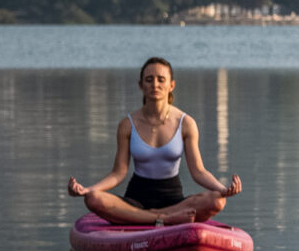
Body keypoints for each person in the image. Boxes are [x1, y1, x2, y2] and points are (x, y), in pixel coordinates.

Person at [67, 57, 241, 226]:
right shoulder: (127, 124)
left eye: (161, 80)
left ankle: (150, 217)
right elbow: (118, 173)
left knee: (217, 201)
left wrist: (223, 189)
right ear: (141, 85)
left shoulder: (186, 123)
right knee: (94, 199)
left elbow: (199, 171)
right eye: (149, 80)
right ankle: (162, 219)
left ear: (171, 85)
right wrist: (88, 190)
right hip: (136, 199)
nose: (155, 85)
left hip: (174, 200)